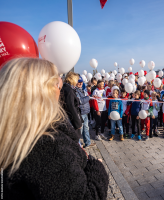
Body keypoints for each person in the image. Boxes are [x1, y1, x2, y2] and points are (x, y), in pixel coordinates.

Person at [1, 58, 108, 200]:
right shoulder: (47, 146)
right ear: (43, 92)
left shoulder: (21, 132)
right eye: (57, 85)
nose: (60, 90)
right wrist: (97, 168)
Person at [76, 76, 96, 148]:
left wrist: (90, 96)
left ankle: (87, 143)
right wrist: (88, 97)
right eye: (79, 82)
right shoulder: (75, 91)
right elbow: (81, 101)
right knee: (80, 130)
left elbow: (86, 98)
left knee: (86, 128)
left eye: (81, 82)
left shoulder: (83, 90)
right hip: (80, 113)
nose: (80, 83)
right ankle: (78, 146)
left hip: (85, 112)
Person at [61, 71, 83, 137]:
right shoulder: (69, 90)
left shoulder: (66, 87)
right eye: (76, 80)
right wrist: (78, 123)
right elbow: (71, 107)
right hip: (70, 119)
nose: (77, 82)